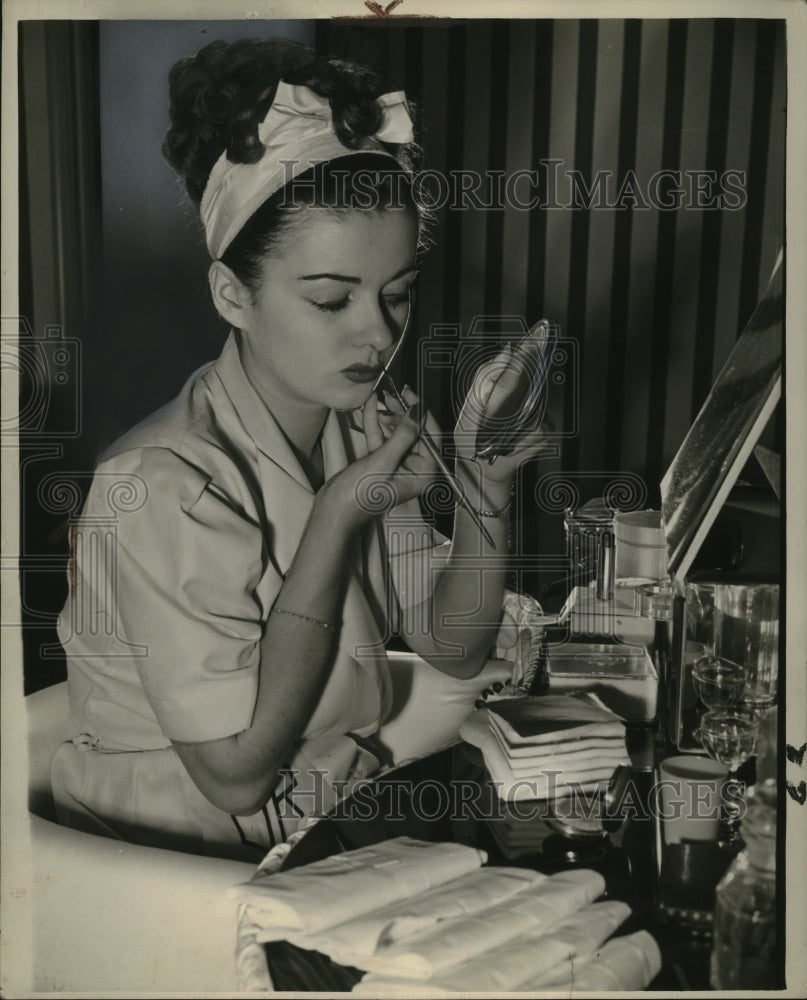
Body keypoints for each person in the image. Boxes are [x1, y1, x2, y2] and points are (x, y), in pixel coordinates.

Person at [51, 38, 549, 862]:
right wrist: (335, 519)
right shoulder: (159, 486)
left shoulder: (359, 421)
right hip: (175, 861)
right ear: (231, 294)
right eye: (330, 300)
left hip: (327, 818)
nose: (378, 333)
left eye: (394, 295)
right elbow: (236, 775)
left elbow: (451, 643)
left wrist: (483, 491)